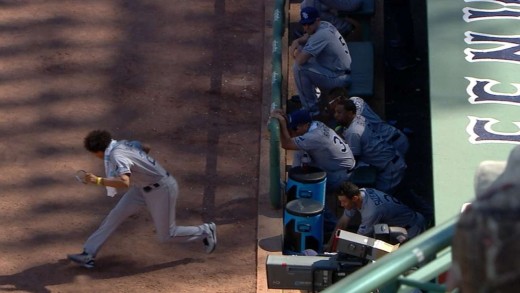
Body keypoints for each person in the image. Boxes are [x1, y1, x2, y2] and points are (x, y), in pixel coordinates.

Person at [67, 130, 217, 269]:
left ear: (100, 151)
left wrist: (98, 181)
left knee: (166, 235)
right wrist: (139, 161)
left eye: (95, 154)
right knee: (115, 215)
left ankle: (205, 231)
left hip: (161, 190)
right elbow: (145, 147)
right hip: (141, 189)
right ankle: (88, 254)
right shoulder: (122, 144)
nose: (96, 157)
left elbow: (124, 183)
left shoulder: (116, 155)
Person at [270, 108, 355, 191]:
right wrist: (284, 118)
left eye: (295, 128)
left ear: (306, 125)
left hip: (340, 175)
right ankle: (293, 183)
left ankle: (314, 200)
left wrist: (282, 124)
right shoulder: (316, 124)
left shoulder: (314, 137)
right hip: (336, 165)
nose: (293, 131)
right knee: (300, 151)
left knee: (309, 190)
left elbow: (286, 144)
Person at [334, 98, 406, 193]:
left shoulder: (353, 132)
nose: (336, 115)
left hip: (390, 168)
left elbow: (353, 161)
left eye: (339, 113)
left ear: (350, 113)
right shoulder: (360, 119)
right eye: (335, 112)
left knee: (382, 199)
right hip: (392, 159)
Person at [290, 6, 352, 116]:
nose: (307, 27)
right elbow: (306, 38)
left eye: (309, 23)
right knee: (303, 49)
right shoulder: (324, 25)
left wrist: (294, 48)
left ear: (317, 20)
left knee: (299, 69)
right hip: (337, 69)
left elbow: (299, 61)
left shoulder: (321, 35)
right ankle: (312, 95)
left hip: (339, 78)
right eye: (304, 24)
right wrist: (299, 41)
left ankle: (311, 111)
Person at [326, 181, 425, 250]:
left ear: (355, 198)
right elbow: (343, 222)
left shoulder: (371, 212)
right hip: (399, 226)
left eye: (344, 202)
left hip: (411, 229)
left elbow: (358, 240)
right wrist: (330, 244)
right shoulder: (361, 192)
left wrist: (337, 251)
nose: (342, 205)